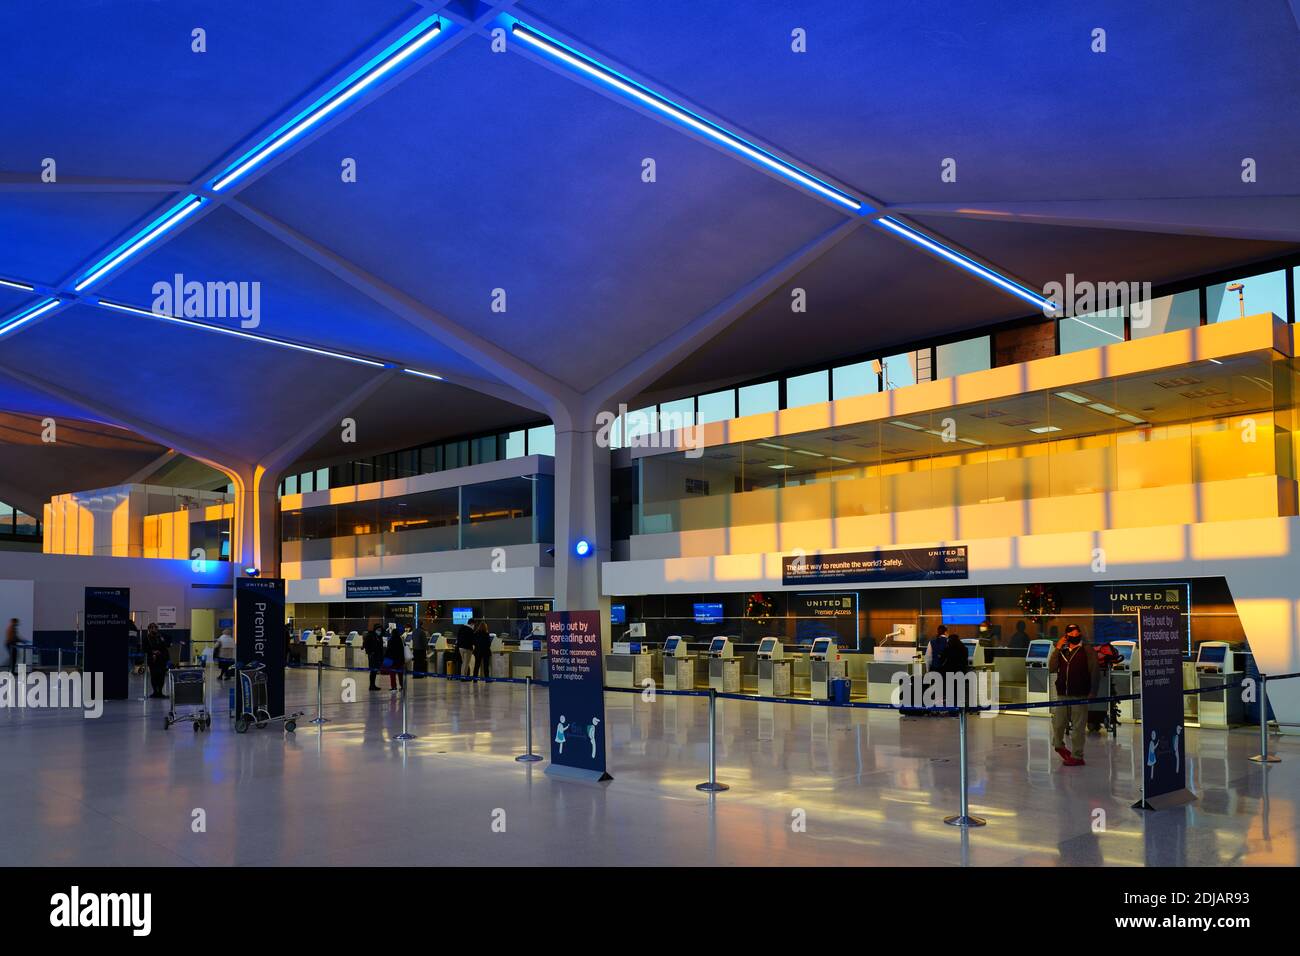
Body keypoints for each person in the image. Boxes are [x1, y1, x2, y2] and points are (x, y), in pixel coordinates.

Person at [1048, 624, 1098, 766]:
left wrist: (1093, 691)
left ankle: (1077, 756)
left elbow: (1094, 671)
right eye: (1070, 631)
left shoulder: (1087, 650)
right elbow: (1051, 667)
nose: (1074, 633)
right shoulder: (1062, 651)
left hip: (1080, 694)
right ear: (1066, 635)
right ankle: (1058, 745)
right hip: (1063, 694)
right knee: (1058, 724)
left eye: (1076, 631)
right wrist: (1057, 648)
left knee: (1078, 727)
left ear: (1080, 633)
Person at [144, 623, 170, 698]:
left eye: (155, 628)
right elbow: (145, 649)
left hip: (162, 659)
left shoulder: (160, 637)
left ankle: (160, 692)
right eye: (152, 628)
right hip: (152, 659)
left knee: (161, 676)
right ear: (149, 629)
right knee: (154, 676)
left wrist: (163, 642)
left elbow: (165, 646)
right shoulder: (146, 638)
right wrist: (153, 652)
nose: (154, 629)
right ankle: (155, 692)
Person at [383, 627, 406, 694]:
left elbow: (388, 650)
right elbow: (402, 650)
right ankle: (402, 686)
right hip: (400, 660)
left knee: (392, 674)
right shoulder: (400, 640)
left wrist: (385, 656)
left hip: (392, 660)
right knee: (400, 674)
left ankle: (394, 687)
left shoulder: (391, 640)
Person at [363, 625, 384, 690]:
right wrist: (370, 652)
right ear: (375, 629)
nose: (379, 631)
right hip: (372, 656)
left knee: (375, 671)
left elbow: (380, 647)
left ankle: (373, 685)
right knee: (373, 671)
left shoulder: (379, 637)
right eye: (378, 630)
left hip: (377, 656)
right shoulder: (370, 635)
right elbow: (365, 644)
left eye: (380, 630)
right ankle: (371, 685)